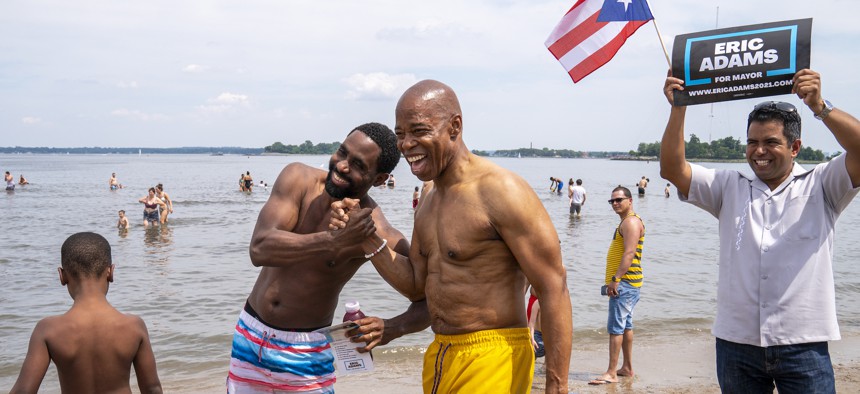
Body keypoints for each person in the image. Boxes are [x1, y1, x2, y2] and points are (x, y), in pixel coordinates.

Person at [333, 80, 572, 393]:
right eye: (401, 134)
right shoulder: (430, 197)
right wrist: (366, 237)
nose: (406, 144)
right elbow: (417, 284)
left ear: (455, 126)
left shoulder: (501, 190)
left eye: (419, 130)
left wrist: (557, 384)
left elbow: (553, 285)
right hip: (441, 353)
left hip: (495, 353)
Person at [660, 68, 860, 393]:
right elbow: (672, 168)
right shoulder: (728, 186)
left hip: (803, 343)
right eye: (752, 142)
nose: (759, 151)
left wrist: (820, 106)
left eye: (770, 142)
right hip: (737, 343)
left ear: (795, 147)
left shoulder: (823, 183)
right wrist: (678, 106)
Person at [227, 122, 430, 393]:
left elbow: (430, 297)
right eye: (342, 152)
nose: (342, 166)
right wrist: (331, 242)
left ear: (380, 179)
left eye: (358, 165)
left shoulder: (372, 228)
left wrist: (393, 328)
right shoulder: (298, 179)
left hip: (306, 353)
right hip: (250, 337)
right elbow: (260, 248)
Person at [10, 232, 162, 394]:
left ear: (62, 276)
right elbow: (152, 389)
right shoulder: (133, 326)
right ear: (110, 272)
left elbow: (23, 391)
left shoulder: (48, 330)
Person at [589, 186, 644, 386]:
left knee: (616, 328)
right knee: (626, 325)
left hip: (625, 283)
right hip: (629, 282)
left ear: (630, 200)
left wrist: (616, 279)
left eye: (619, 199)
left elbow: (629, 253)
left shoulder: (630, 222)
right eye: (612, 201)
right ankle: (627, 367)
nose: (615, 203)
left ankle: (611, 372)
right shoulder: (627, 221)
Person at [526, 285, 545, 358]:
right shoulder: (537, 303)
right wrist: (532, 338)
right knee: (538, 348)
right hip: (537, 334)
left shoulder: (554, 303)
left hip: (547, 335)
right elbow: (531, 323)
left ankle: (545, 365)